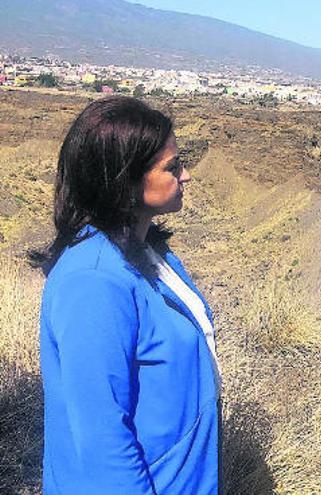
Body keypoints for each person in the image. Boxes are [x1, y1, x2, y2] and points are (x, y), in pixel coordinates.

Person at [35, 96, 220, 494]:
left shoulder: (148, 251)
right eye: (172, 167)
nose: (185, 175)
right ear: (125, 179)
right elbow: (102, 437)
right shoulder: (94, 281)